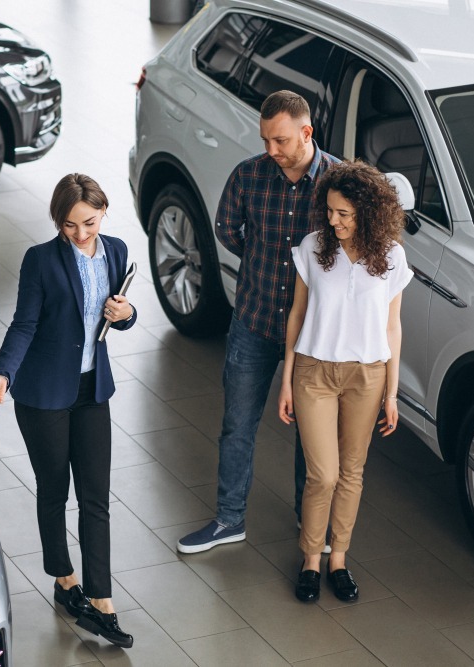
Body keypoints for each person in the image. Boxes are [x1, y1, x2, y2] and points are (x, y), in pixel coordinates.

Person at [0, 173, 136, 649]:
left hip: (92, 390)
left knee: (96, 496)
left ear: (103, 210)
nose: (80, 234)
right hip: (43, 393)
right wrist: (2, 374)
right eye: (69, 226)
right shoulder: (40, 260)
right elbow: (24, 324)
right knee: (53, 490)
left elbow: (120, 315)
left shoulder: (119, 252)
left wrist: (126, 317)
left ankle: (102, 600)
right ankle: (64, 580)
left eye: (88, 222)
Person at [177, 90, 339, 554]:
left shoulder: (338, 182)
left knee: (310, 433)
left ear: (307, 132)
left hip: (312, 333)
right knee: (238, 424)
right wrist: (263, 259)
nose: (271, 150)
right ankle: (229, 520)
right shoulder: (248, 175)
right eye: (266, 139)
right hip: (254, 320)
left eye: (281, 140)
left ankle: (307, 519)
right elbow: (226, 229)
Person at [278, 160, 411, 602]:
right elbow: (296, 315)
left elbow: (393, 328)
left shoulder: (391, 255)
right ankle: (310, 560)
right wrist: (286, 381)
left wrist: (392, 394)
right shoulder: (313, 247)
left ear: (368, 214)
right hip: (314, 372)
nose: (333, 221)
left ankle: (339, 560)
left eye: (344, 214)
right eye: (330, 211)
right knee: (324, 474)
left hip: (367, 376)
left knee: (352, 473)